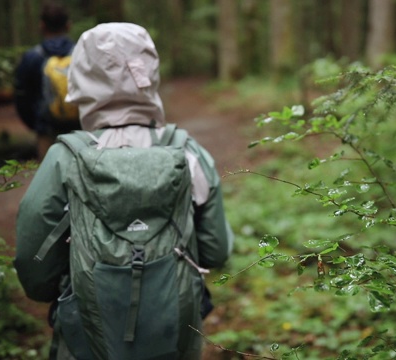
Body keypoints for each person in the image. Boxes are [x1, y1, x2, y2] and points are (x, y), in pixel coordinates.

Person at [14, 22, 234, 359]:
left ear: (81, 77)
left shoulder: (66, 158)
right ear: (150, 72)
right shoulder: (187, 151)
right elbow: (216, 249)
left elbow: (35, 266)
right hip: (174, 337)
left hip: (86, 339)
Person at [13, 2, 80, 161]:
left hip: (46, 131)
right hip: (81, 130)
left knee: (49, 179)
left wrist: (36, 124)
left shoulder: (32, 57)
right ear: (69, 26)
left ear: (42, 26)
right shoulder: (82, 53)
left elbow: (21, 98)